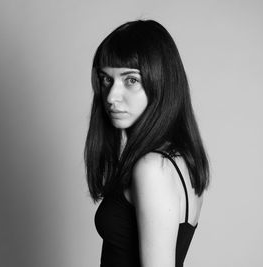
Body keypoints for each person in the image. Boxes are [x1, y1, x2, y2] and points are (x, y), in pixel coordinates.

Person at [84, 19, 209, 267]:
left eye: (130, 80)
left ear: (160, 83)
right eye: (106, 79)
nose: (111, 96)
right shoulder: (177, 158)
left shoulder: (153, 167)